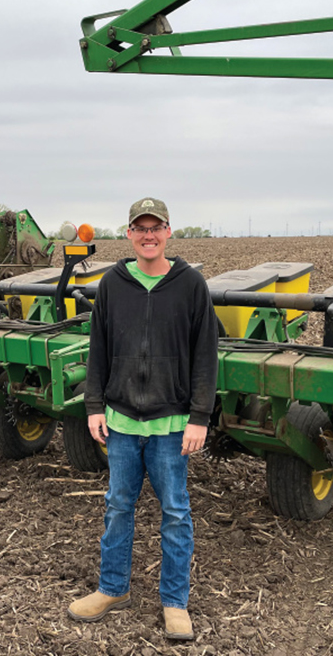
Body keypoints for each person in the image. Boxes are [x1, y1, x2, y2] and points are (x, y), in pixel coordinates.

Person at [67, 197, 218, 640]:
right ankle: (112, 588)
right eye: (140, 227)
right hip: (121, 422)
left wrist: (200, 416)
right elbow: (99, 348)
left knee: (175, 511)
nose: (148, 235)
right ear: (129, 234)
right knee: (117, 508)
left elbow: (206, 356)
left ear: (169, 232)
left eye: (157, 227)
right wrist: (94, 405)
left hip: (171, 425)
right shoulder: (113, 284)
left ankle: (175, 603)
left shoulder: (190, 285)